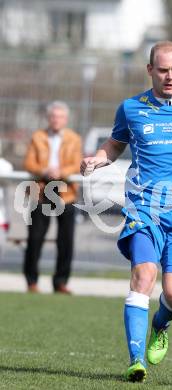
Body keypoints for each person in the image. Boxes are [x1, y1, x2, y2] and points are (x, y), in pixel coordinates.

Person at [80, 41, 172, 382]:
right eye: (162, 70)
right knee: (143, 277)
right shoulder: (131, 109)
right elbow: (114, 145)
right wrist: (97, 159)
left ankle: (160, 324)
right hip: (145, 210)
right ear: (150, 70)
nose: (169, 76)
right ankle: (136, 361)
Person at [23, 101, 82, 294]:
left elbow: (76, 164)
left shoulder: (74, 138)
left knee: (66, 240)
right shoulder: (38, 137)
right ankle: (31, 281)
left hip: (66, 191)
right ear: (49, 118)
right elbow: (29, 162)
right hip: (41, 189)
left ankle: (61, 282)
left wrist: (61, 171)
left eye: (60, 117)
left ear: (65, 119)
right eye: (53, 116)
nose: (56, 120)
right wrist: (45, 170)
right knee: (35, 238)